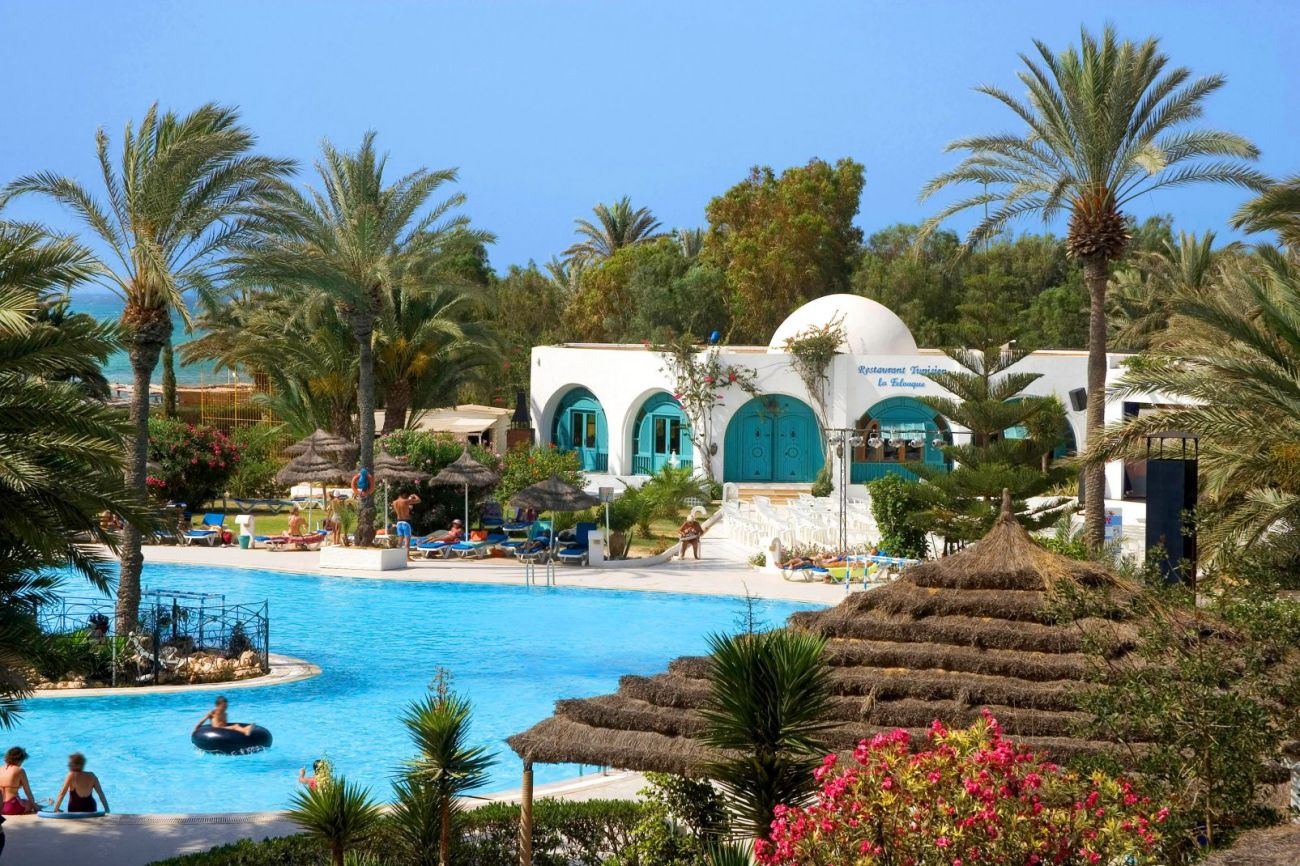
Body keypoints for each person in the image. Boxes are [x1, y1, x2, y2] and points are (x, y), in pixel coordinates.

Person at [0, 748, 37, 815]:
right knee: (30, 803)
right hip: (11, 807)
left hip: (0, 807)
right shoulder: (20, 770)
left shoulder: (0, 769)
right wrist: (35, 807)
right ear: (19, 759)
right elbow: (28, 792)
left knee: (24, 801)